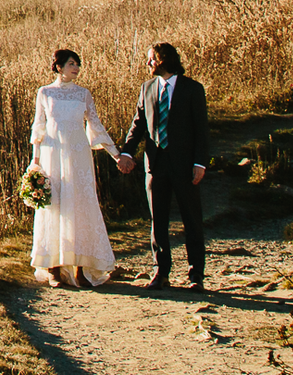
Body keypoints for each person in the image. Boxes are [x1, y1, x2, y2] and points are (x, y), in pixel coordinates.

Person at [27, 48, 131, 288]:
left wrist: (116, 155)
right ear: (59, 66)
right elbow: (38, 128)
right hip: (53, 154)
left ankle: (80, 268)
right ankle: (53, 268)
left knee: (80, 206)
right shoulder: (44, 92)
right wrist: (35, 161)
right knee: (55, 205)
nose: (76, 68)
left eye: (78, 64)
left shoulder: (83, 94)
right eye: (72, 63)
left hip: (78, 154)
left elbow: (95, 125)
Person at [117, 41, 209, 290]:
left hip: (186, 166)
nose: (147, 63)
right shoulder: (147, 88)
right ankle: (161, 273)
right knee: (158, 221)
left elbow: (201, 130)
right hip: (155, 165)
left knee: (192, 219)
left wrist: (200, 164)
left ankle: (196, 276)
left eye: (151, 59)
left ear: (163, 59)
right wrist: (126, 153)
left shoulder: (192, 89)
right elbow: (138, 126)